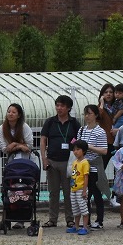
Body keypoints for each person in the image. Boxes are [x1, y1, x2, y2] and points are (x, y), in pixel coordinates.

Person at [38, 94, 81, 228]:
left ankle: (70, 218)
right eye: (57, 105)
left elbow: (78, 139)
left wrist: (75, 151)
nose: (59, 108)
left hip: (69, 162)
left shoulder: (74, 123)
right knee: (53, 192)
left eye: (62, 105)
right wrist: (44, 158)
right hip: (52, 161)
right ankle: (52, 219)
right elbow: (43, 140)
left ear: (68, 108)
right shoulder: (50, 121)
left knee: (69, 192)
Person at [78, 104, 109, 228]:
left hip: (94, 167)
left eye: (90, 113)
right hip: (82, 167)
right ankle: (87, 220)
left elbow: (104, 151)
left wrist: (88, 146)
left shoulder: (100, 131)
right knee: (84, 195)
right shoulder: (81, 130)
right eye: (85, 113)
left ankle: (99, 220)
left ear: (96, 115)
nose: (87, 116)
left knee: (96, 194)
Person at [67, 140, 92, 235]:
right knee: (75, 209)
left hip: (81, 189)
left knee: (83, 208)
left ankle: (85, 227)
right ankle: (76, 226)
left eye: (78, 149)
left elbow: (86, 177)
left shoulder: (85, 163)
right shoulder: (74, 162)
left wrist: (84, 190)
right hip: (73, 189)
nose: (75, 151)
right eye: (74, 150)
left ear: (84, 151)